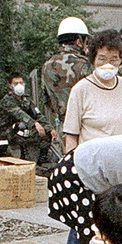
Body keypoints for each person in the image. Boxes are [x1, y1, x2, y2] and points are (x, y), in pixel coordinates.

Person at [62, 29, 122, 153]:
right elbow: (71, 137)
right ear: (93, 59)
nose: (107, 64)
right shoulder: (80, 90)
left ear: (121, 60)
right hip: (92, 165)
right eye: (102, 59)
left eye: (113, 59)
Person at [41, 16, 93, 151]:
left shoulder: (47, 66)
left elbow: (46, 100)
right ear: (79, 41)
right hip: (86, 129)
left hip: (62, 128)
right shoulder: (85, 64)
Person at [0, 71, 52, 173]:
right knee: (22, 127)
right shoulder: (7, 100)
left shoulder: (26, 99)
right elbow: (20, 114)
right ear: (10, 85)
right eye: (15, 83)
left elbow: (37, 114)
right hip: (7, 130)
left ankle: (42, 158)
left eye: (21, 83)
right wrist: (35, 124)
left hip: (22, 127)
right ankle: (23, 156)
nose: (19, 86)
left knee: (46, 131)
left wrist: (49, 127)